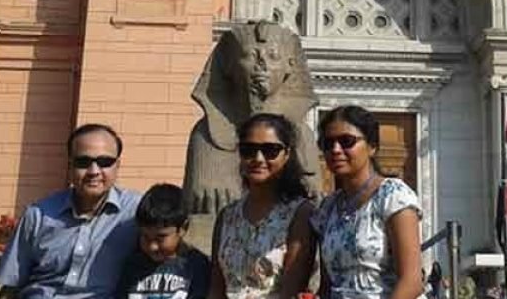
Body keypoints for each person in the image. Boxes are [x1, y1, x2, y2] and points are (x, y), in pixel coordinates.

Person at [0, 123, 141, 299]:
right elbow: (11, 285)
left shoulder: (136, 212)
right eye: (83, 162)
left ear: (118, 165)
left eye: (104, 162)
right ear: (70, 165)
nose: (94, 171)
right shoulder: (39, 215)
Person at [312, 106, 423, 299]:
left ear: (372, 146)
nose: (336, 150)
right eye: (328, 143)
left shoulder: (393, 195)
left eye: (347, 141)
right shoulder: (328, 208)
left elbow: (412, 281)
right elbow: (327, 284)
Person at [209, 113, 315, 299]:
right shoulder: (227, 216)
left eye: (270, 150)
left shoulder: (300, 214)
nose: (258, 158)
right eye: (248, 150)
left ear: (287, 154)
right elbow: (216, 289)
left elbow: (291, 290)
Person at [118, 184, 210, 299]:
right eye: (145, 237)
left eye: (161, 237)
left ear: (183, 228)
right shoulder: (132, 266)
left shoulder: (197, 265)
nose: (152, 246)